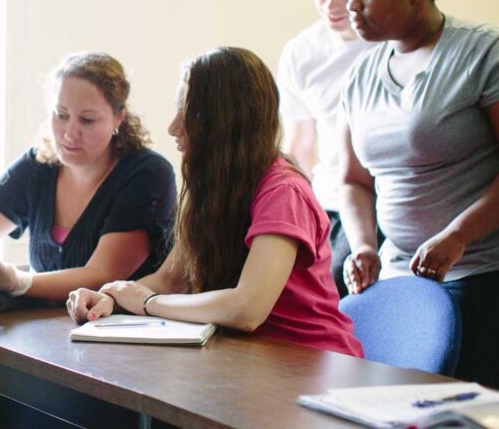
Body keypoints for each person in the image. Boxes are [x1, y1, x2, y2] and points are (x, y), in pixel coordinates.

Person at [0, 52, 176, 429]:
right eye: (60, 114)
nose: (69, 132)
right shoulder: (38, 164)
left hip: (117, 356)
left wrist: (19, 282)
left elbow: (103, 274)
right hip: (48, 344)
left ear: (118, 119)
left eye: (87, 120)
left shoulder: (147, 173)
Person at [69, 47, 362, 360]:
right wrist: (112, 298)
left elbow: (247, 309)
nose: (173, 127)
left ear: (224, 122)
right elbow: (170, 279)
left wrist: (147, 302)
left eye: (187, 112)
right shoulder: (213, 186)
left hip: (310, 364)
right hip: (246, 360)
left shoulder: (284, 192)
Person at [339, 0, 499, 387]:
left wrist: (457, 237)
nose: (352, 5)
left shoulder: (483, 52)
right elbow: (352, 179)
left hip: (481, 275)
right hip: (397, 283)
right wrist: (364, 245)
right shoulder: (359, 76)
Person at [277, 0, 377, 297]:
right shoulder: (302, 52)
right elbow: (300, 147)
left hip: (398, 203)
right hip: (334, 207)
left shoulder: (394, 42)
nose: (332, 5)